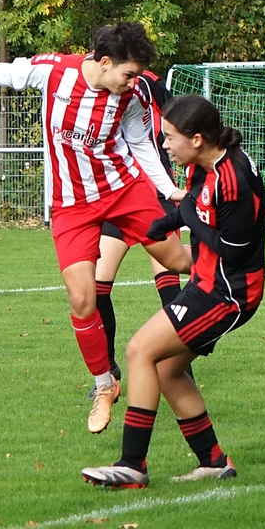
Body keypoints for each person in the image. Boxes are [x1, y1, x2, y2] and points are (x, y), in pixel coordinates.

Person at [0, 23, 192, 434]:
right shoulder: (55, 71)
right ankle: (105, 384)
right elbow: (10, 73)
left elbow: (140, 143)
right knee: (82, 297)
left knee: (179, 262)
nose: (133, 80)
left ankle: (232, 266)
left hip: (125, 190)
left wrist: (169, 190)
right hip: (71, 205)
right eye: (128, 73)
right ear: (105, 62)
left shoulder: (134, 93)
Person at [82, 95, 265, 488]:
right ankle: (214, 462)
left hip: (228, 293)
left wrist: (183, 219)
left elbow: (233, 251)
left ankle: (132, 464)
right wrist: (168, 223)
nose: (164, 145)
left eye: (169, 137)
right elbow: (195, 207)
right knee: (166, 370)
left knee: (139, 351)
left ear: (197, 139)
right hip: (208, 282)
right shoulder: (201, 164)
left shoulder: (234, 179)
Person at [93, 70, 183, 392]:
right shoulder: (95, 91)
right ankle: (108, 371)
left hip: (157, 198)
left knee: (170, 286)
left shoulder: (144, 85)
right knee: (97, 288)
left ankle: (179, 368)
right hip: (118, 199)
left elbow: (182, 122)